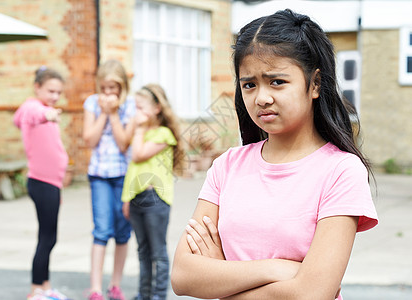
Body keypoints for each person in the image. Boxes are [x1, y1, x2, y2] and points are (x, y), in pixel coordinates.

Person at [171, 9, 379, 300]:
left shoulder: (341, 171)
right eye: (249, 84)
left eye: (277, 81)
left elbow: (311, 294)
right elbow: (183, 276)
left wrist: (221, 279)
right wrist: (277, 269)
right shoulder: (227, 167)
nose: (262, 97)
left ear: (315, 83)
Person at [121, 84, 184, 300]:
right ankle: (143, 294)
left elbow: (138, 155)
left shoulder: (163, 134)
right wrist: (126, 198)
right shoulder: (142, 133)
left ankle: (158, 295)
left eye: (141, 107)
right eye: (135, 107)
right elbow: (133, 168)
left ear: (156, 108)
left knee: (158, 251)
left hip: (155, 198)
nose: (136, 113)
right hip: (136, 197)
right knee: (142, 251)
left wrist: (137, 130)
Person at [14, 66, 71, 300]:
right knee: (47, 237)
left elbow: (17, 120)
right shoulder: (33, 108)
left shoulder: (40, 107)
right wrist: (47, 115)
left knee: (49, 236)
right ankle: (36, 290)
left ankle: (44, 287)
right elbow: (29, 115)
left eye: (58, 92)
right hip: (41, 181)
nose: (55, 97)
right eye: (50, 91)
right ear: (37, 87)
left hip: (50, 183)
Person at [83, 59, 135, 300]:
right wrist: (104, 113)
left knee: (123, 233)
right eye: (104, 88)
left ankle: (115, 285)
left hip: (123, 175)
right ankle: (95, 289)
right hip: (99, 176)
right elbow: (90, 140)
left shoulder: (130, 106)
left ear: (122, 86)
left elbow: (124, 143)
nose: (108, 93)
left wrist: (114, 114)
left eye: (113, 88)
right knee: (101, 230)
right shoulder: (91, 104)